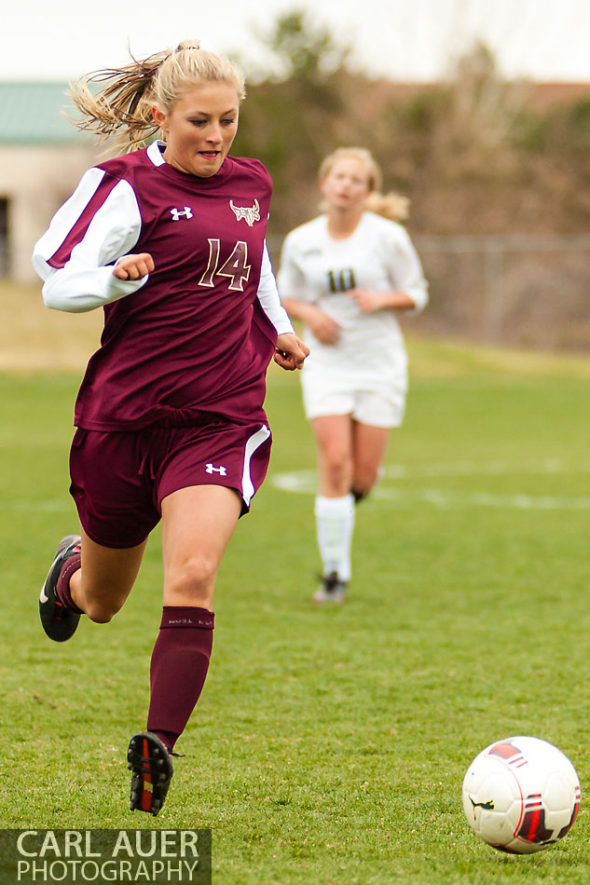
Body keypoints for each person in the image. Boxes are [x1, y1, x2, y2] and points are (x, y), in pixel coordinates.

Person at [32, 40, 308, 816]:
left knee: (191, 576)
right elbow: (53, 272)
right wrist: (107, 280)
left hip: (219, 420)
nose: (216, 135)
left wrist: (277, 328)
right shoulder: (123, 186)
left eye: (228, 119)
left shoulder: (253, 185)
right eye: (200, 121)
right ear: (161, 116)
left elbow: (255, 267)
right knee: (105, 601)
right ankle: (70, 574)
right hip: (124, 421)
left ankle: (157, 751)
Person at [277, 147, 427, 603]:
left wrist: (381, 301)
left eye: (355, 179)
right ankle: (334, 575)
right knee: (335, 464)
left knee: (363, 477)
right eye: (338, 176)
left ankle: (344, 504)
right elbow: (285, 295)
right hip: (326, 365)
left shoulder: (388, 237)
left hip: (379, 364)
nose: (345, 184)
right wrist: (313, 317)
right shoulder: (303, 240)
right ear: (324, 184)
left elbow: (417, 292)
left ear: (368, 191)